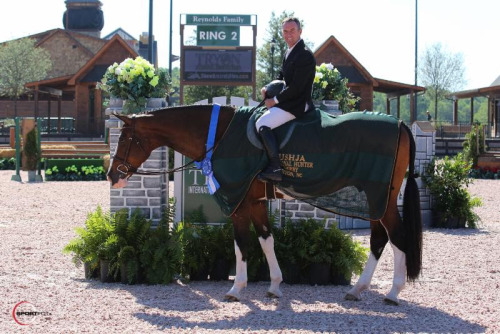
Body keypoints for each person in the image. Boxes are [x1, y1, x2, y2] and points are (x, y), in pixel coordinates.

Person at [256, 17, 316, 182]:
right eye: (285, 31)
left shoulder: (304, 54)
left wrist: (274, 100)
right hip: (288, 101)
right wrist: (267, 88)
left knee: (261, 124)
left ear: (300, 31)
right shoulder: (290, 51)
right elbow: (282, 78)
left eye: (292, 31)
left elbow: (296, 87)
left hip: (297, 104)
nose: (288, 34)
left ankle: (275, 167)